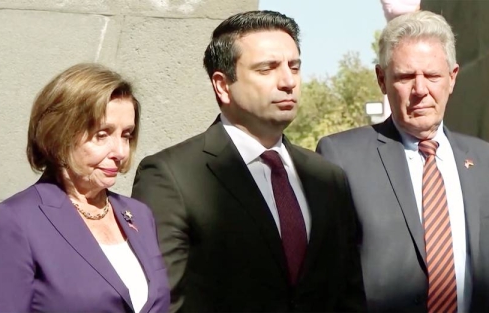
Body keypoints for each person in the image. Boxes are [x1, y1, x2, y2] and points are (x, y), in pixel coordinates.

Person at [131, 10, 365, 312]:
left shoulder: (328, 177)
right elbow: (164, 302)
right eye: (267, 69)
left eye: (294, 67)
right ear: (222, 85)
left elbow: (349, 294)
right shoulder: (171, 176)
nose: (287, 81)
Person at [317, 10, 489, 313]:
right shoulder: (340, 158)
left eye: (432, 76)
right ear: (382, 79)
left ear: (452, 78)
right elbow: (326, 282)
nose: (420, 90)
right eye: (405, 76)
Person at [0, 63, 170, 312]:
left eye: (126, 135)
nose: (119, 151)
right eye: (102, 134)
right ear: (60, 134)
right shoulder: (14, 222)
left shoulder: (138, 214)